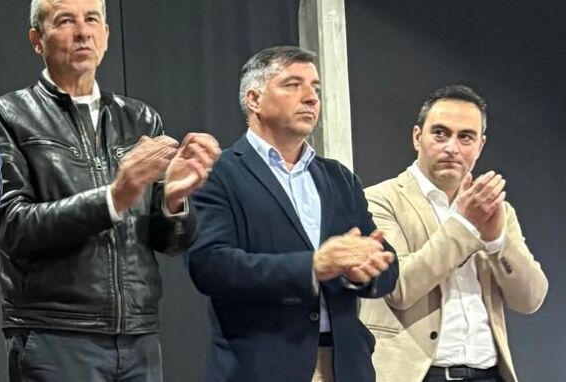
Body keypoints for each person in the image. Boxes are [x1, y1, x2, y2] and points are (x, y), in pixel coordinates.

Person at [0, 0, 219, 381]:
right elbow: (12, 227)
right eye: (65, 21)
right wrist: (115, 195)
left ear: (107, 35)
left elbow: (172, 243)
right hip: (56, 333)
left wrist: (173, 202)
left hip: (138, 335)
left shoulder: (140, 118)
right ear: (36, 40)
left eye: (92, 20)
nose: (82, 33)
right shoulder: (8, 115)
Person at [186, 45, 398, 382]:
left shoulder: (339, 177)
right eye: (293, 84)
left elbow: (386, 263)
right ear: (253, 99)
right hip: (262, 366)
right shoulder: (218, 173)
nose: (311, 97)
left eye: (314, 87)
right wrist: (312, 267)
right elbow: (211, 266)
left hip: (345, 365)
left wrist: (366, 270)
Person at [362, 85, 547, 382]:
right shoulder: (378, 200)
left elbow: (530, 299)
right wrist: (464, 226)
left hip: (489, 373)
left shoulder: (498, 210)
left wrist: (497, 240)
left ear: (480, 145)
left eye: (465, 137)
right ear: (416, 137)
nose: (452, 147)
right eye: (440, 133)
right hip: (418, 375)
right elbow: (398, 288)